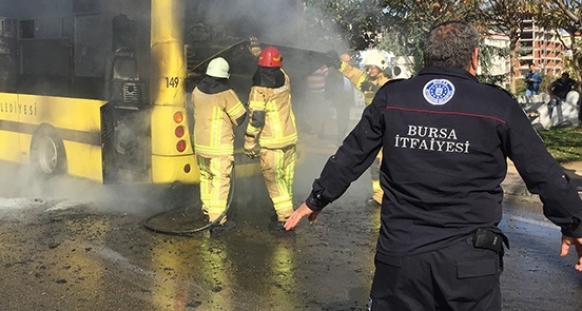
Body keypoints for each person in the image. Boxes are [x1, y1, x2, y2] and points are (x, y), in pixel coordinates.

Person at [285, 20, 582, 310]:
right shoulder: (496, 105)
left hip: (400, 259)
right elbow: (543, 172)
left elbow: (352, 154)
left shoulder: (393, 96)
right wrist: (574, 223)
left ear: (426, 55)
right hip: (469, 264)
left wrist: (318, 198)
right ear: (474, 58)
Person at [244, 45, 298, 231]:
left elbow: (257, 119)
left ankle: (284, 218)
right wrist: (258, 52)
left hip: (271, 142)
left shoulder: (259, 90)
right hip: (289, 138)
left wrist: (249, 142)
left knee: (273, 178)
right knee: (286, 178)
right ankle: (286, 211)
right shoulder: (285, 79)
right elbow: (273, 66)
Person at [192, 57, 247, 233]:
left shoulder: (197, 91)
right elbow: (239, 117)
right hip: (219, 147)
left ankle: (208, 212)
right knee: (220, 181)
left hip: (201, 145)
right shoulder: (226, 94)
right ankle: (217, 222)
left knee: (206, 177)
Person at [329, 49, 390, 205]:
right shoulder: (366, 79)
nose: (370, 70)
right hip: (374, 128)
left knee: (387, 164)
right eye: (368, 67)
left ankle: (389, 195)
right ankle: (379, 195)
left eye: (373, 68)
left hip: (387, 129)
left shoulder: (387, 83)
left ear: (381, 67)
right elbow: (351, 72)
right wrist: (338, 63)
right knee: (375, 163)